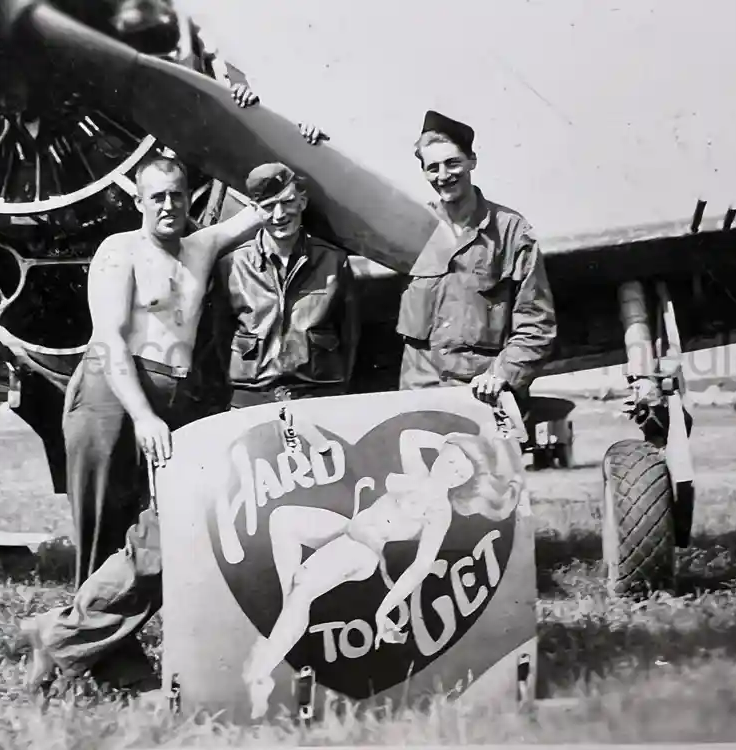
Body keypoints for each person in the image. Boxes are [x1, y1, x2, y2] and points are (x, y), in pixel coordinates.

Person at [18, 152, 271, 695]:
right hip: (112, 394)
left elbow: (267, 200)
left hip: (172, 400)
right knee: (103, 530)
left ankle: (65, 637)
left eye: (177, 194)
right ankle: (101, 662)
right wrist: (142, 415)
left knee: (167, 528)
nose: (168, 205)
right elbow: (109, 339)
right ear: (138, 201)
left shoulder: (202, 246)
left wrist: (299, 139)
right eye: (157, 196)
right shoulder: (120, 251)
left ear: (189, 196)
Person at [239, 429, 523, 719]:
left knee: (303, 587)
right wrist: (447, 441)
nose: (452, 473)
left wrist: (385, 609)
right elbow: (409, 437)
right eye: (452, 462)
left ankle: (260, 674)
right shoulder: (417, 473)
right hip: (349, 529)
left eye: (461, 474)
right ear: (443, 453)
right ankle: (286, 621)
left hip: (364, 550)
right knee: (283, 520)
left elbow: (420, 566)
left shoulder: (439, 513)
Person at [395, 110, 557, 407]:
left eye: (453, 163)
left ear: (472, 161)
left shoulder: (510, 230)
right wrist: (311, 142)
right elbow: (338, 230)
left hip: (483, 396)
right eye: (433, 168)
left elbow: (537, 324)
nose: (443, 176)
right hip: (420, 395)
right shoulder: (412, 228)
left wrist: (501, 374)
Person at [210, 162, 359, 408]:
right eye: (268, 206)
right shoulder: (232, 266)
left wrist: (335, 389)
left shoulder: (333, 262)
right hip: (251, 397)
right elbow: (219, 336)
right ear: (255, 210)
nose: (279, 215)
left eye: (287, 202)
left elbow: (349, 335)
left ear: (302, 201)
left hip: (317, 395)